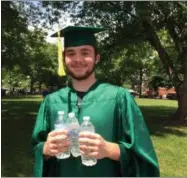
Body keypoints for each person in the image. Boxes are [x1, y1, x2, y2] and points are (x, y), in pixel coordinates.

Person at [32, 26, 160, 177]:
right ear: (63, 58)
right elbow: (37, 148)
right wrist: (46, 150)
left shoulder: (119, 97)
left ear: (97, 58)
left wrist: (109, 150)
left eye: (85, 52)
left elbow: (142, 153)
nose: (77, 59)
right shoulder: (51, 101)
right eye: (71, 53)